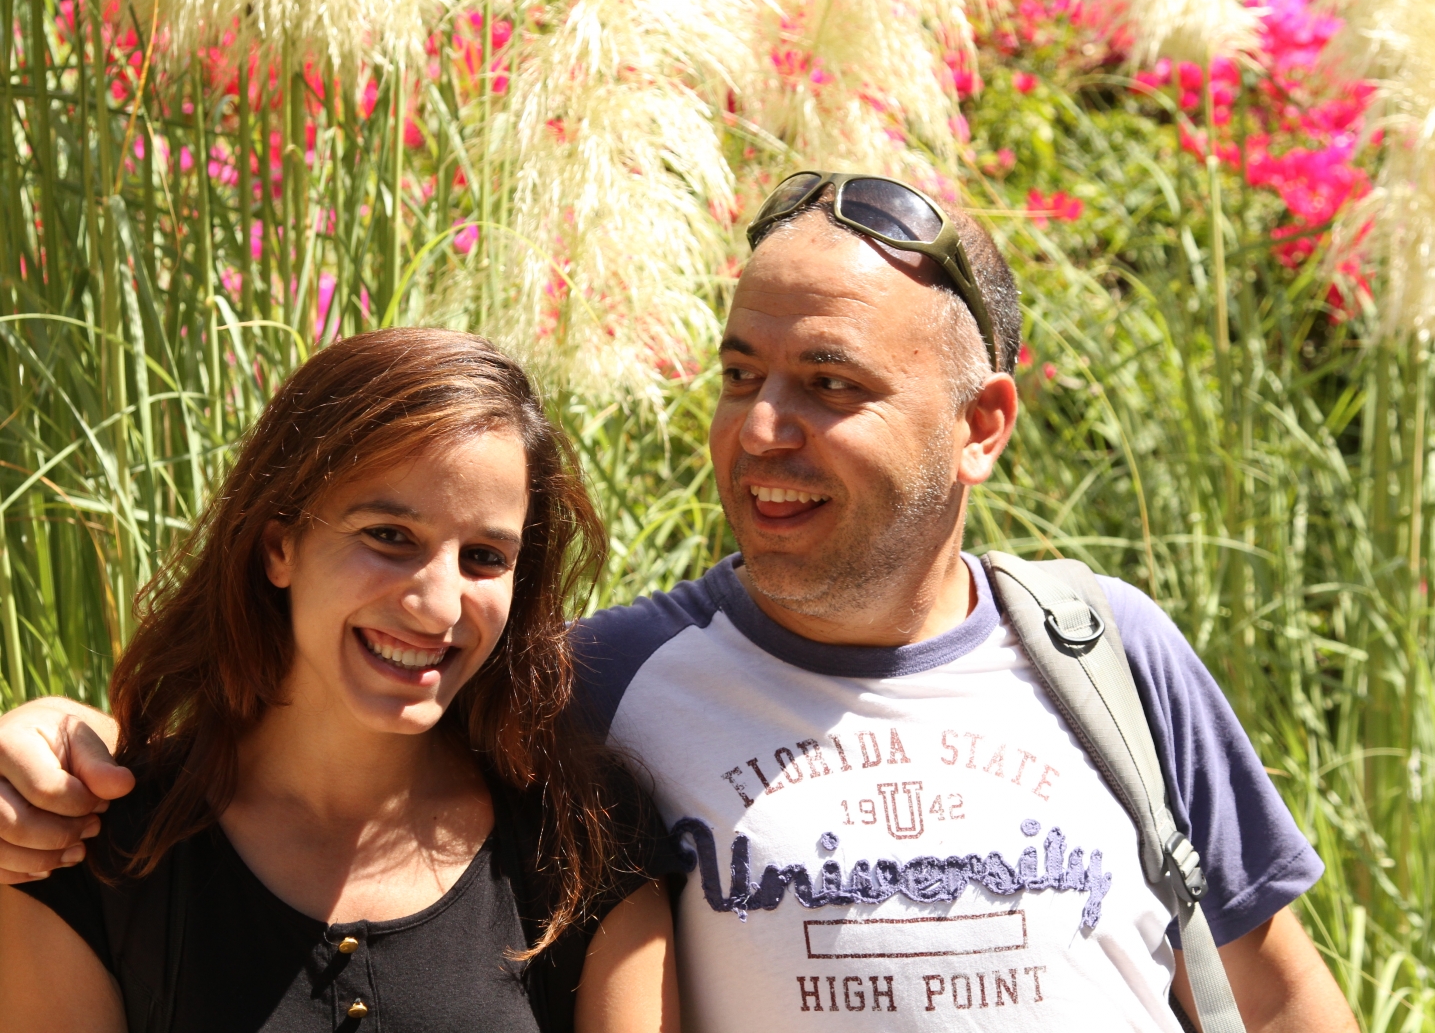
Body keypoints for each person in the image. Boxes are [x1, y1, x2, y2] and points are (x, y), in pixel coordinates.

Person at [0, 174, 1355, 1032]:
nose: (760, 428)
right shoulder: (601, 687)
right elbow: (350, 735)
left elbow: (1277, 989)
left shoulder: (1106, 652)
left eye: (828, 384)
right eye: (740, 373)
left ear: (982, 424)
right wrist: (59, 746)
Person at [0, 329, 679, 1033]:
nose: (438, 607)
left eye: (483, 556)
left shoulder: (585, 838)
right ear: (279, 547)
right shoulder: (87, 852)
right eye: (389, 536)